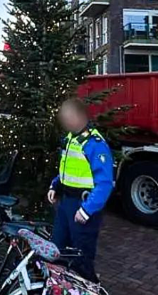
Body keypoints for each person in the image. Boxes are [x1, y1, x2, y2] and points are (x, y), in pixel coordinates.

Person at [48, 98, 114, 282]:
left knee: (81, 260)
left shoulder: (94, 143)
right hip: (65, 205)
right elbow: (67, 171)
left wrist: (87, 210)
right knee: (58, 252)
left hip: (82, 207)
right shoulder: (71, 139)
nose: (66, 121)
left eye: (69, 116)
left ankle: (92, 287)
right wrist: (55, 185)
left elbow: (105, 184)